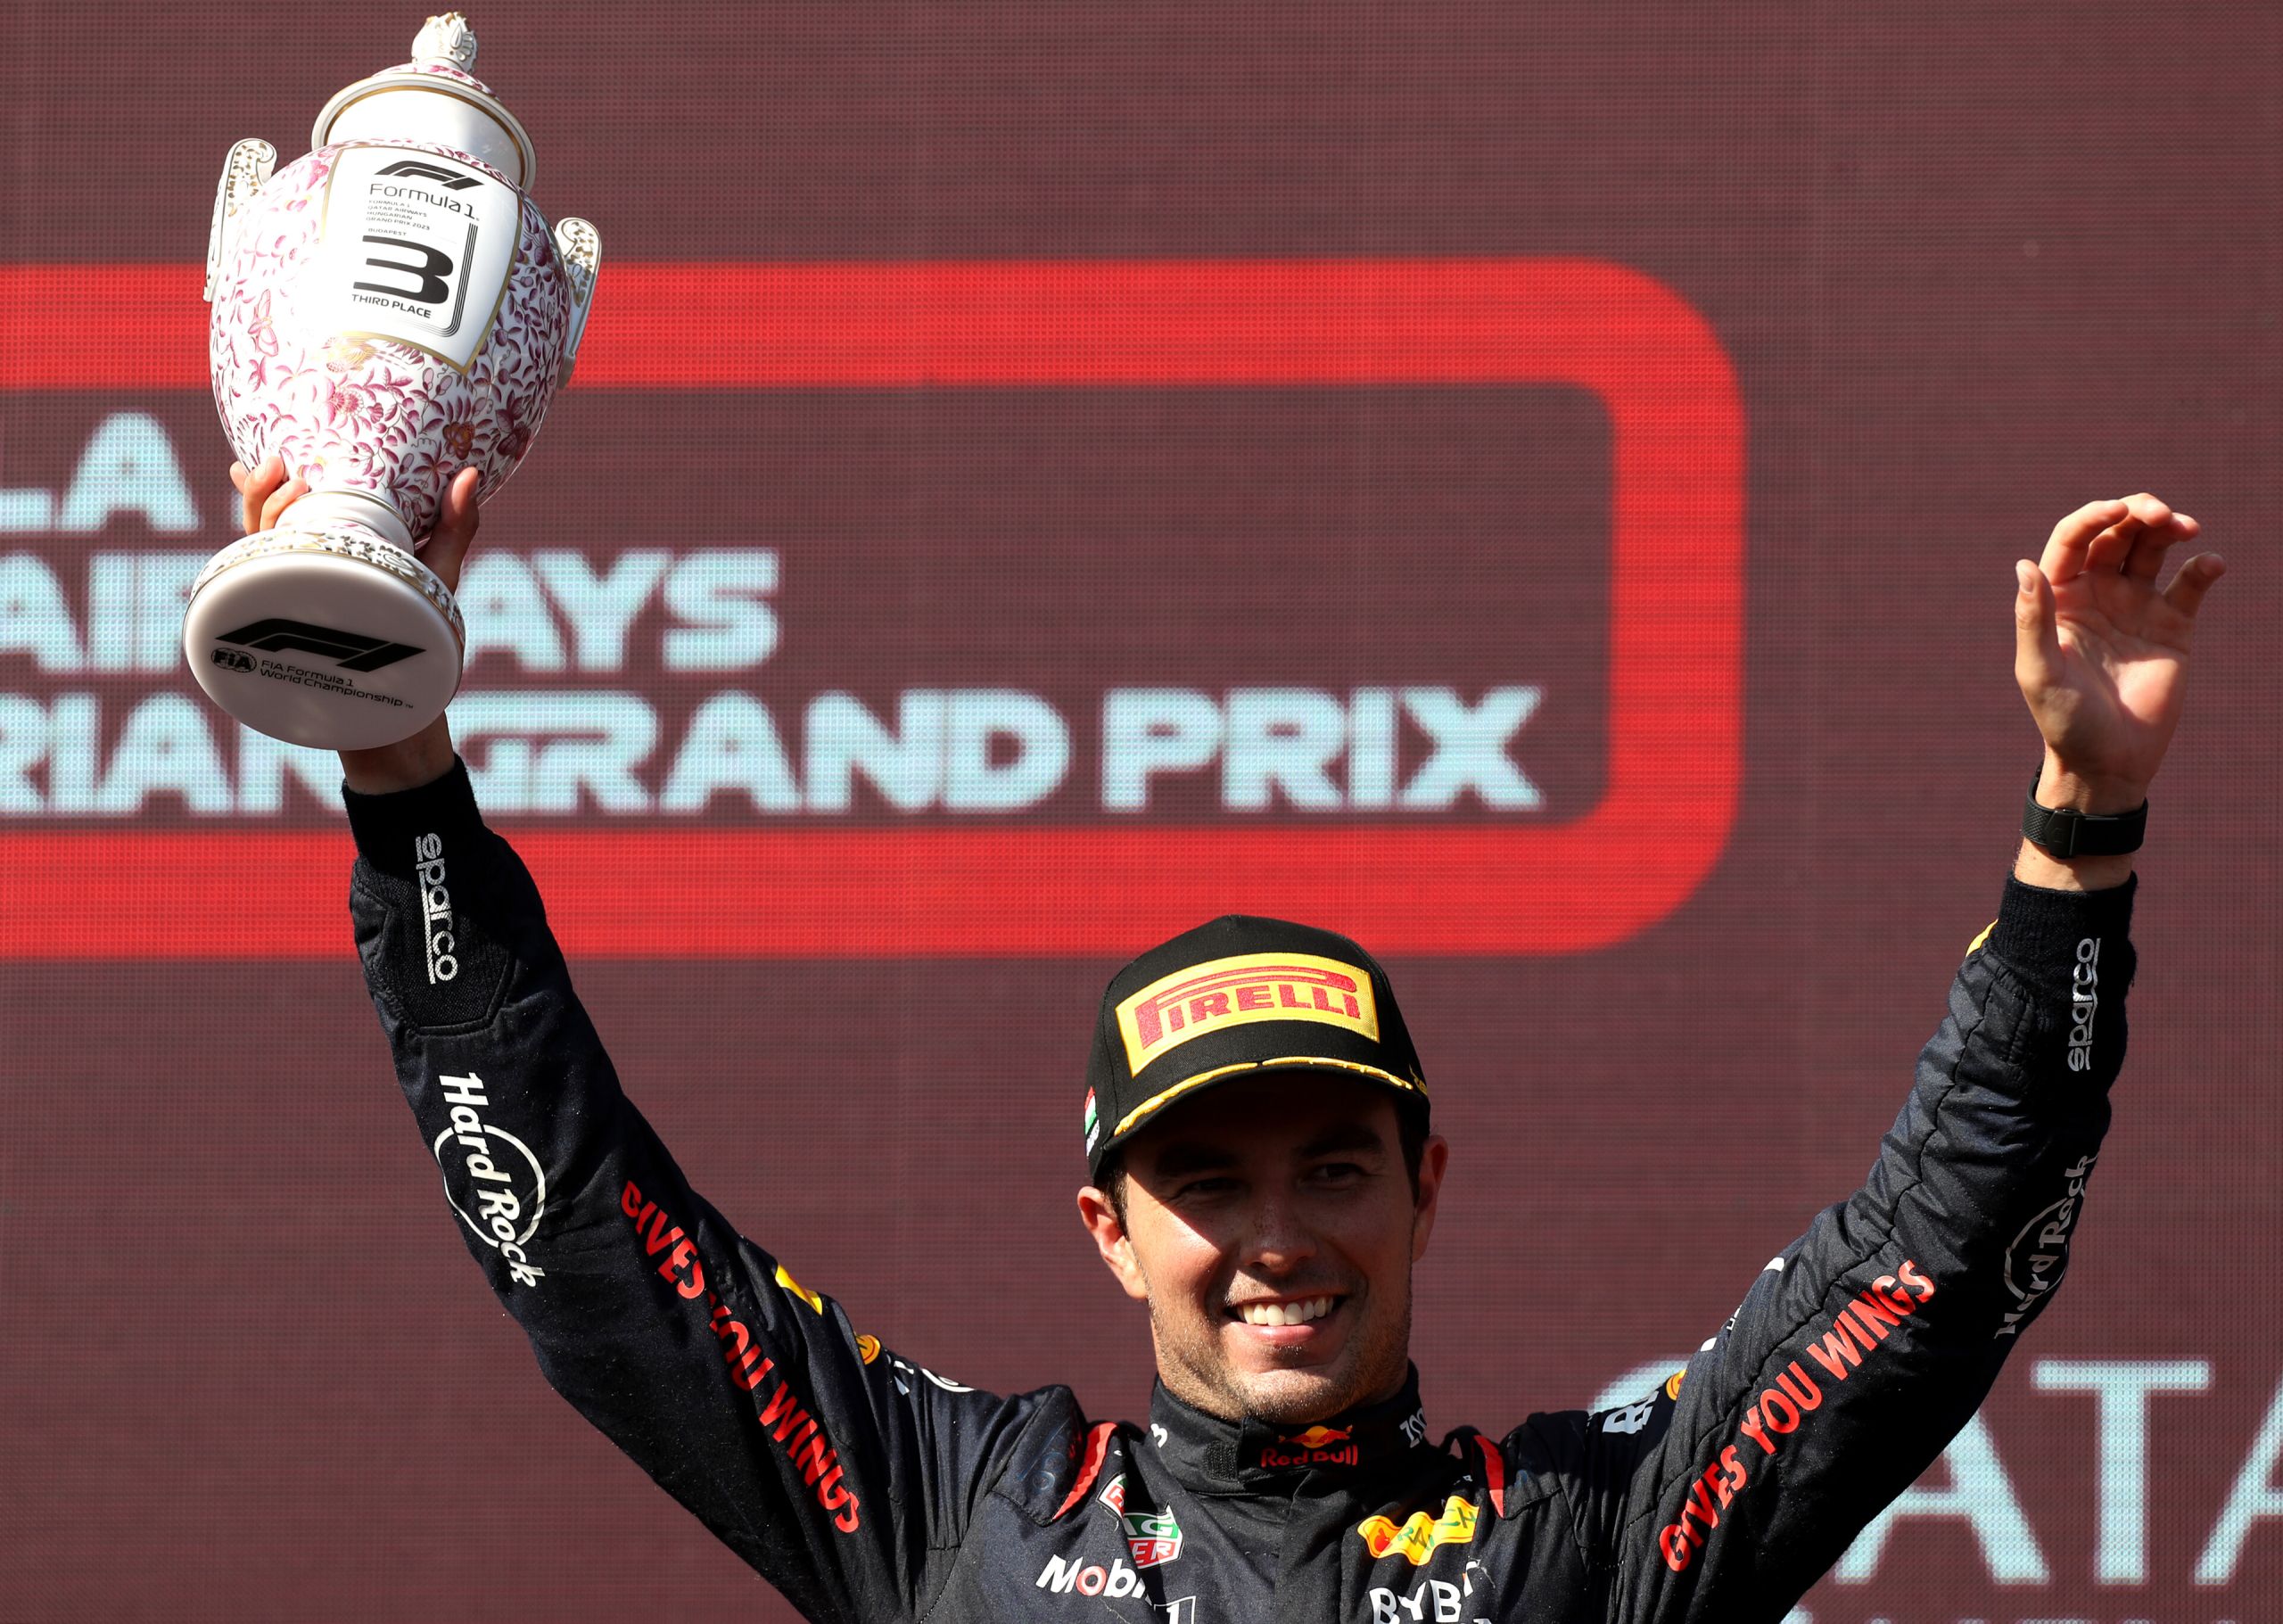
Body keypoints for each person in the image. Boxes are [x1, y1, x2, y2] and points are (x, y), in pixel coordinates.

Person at [234, 455, 2225, 1621]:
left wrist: (2080, 817)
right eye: (1204, 1175)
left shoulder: (1589, 1540)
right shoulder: (957, 1515)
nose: (1276, 1229)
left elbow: (1932, 1260)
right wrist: (397, 755)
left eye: (1330, 1161)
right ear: (1105, 1223)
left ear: (1425, 1185)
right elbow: (586, 1238)